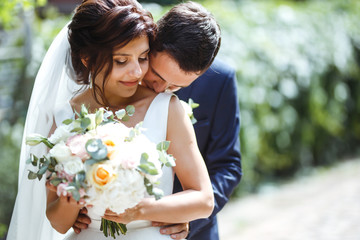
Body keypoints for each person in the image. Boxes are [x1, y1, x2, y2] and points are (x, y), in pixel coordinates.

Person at [7, 0, 214, 239]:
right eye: (121, 61)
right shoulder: (64, 117)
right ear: (87, 58)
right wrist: (73, 196)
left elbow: (204, 199)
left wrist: (141, 210)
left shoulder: (166, 108)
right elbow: (58, 222)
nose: (136, 72)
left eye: (143, 57)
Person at [74, 1, 242, 240]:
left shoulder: (219, 82)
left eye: (176, 86)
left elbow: (228, 165)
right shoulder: (112, 74)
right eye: (157, 75)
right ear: (151, 44)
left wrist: (183, 215)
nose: (161, 89)